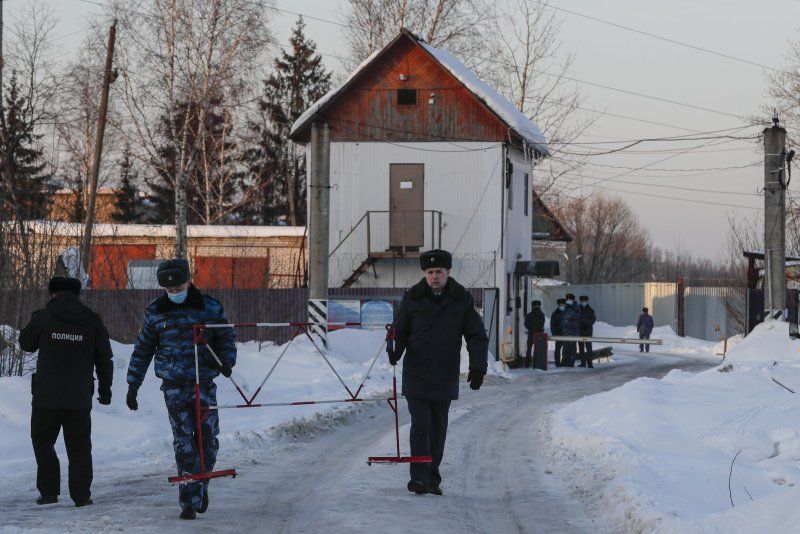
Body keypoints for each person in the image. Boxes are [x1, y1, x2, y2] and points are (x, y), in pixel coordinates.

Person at [126, 259, 236, 520]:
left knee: (208, 440)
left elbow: (226, 337)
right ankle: (189, 500)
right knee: (184, 441)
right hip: (174, 386)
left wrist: (226, 361)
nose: (174, 294)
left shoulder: (209, 307)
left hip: (204, 384)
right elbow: (143, 349)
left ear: (189, 281)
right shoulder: (156, 312)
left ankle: (202, 482)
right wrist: (133, 384)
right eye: (169, 291)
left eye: (179, 288)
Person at [389, 249, 488, 496]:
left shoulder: (461, 300)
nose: (434, 276)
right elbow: (400, 330)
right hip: (417, 374)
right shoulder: (412, 298)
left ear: (447, 273)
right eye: (430, 272)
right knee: (420, 424)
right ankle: (420, 478)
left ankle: (432, 477)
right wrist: (395, 351)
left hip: (444, 374)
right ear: (425, 273)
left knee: (438, 428)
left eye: (439, 272)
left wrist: (478, 367)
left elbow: (476, 336)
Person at [19, 276, 113, 508]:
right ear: (77, 294)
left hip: (46, 398)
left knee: (42, 442)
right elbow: (104, 357)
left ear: (52, 293)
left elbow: (25, 344)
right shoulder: (92, 320)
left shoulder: (44, 317)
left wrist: (35, 322)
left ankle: (49, 492)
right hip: (78, 398)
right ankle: (81, 496)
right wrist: (105, 387)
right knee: (80, 447)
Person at [524, 300, 545, 368]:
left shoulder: (529, 314)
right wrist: (537, 329)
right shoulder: (541, 315)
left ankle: (527, 364)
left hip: (531, 334)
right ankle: (537, 364)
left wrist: (531, 328)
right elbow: (542, 324)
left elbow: (526, 324)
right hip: (539, 335)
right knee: (538, 349)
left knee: (529, 349)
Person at [561, 293, 580, 367]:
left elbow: (576, 317)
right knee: (565, 347)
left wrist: (570, 309)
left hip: (573, 331)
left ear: (573, 300)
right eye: (567, 299)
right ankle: (564, 361)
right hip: (566, 331)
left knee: (572, 347)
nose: (568, 300)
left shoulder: (576, 307)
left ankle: (571, 362)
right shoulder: (565, 307)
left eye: (570, 299)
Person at [577, 295, 596, 368]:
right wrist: (580, 324)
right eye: (582, 301)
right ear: (580, 301)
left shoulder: (590, 310)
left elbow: (593, 319)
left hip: (588, 331)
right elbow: (575, 319)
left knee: (589, 348)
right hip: (580, 331)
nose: (583, 302)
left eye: (584, 301)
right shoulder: (578, 309)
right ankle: (583, 363)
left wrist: (587, 323)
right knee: (581, 348)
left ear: (587, 301)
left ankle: (590, 363)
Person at [550, 299, 566, 367]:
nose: (561, 306)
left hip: (566, 334)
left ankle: (565, 361)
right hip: (558, 334)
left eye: (563, 305)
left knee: (566, 349)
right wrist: (554, 334)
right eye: (560, 305)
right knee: (557, 349)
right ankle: (557, 363)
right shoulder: (555, 313)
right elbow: (552, 325)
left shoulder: (568, 312)